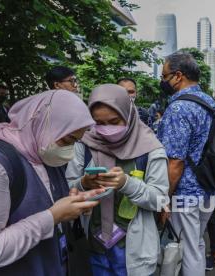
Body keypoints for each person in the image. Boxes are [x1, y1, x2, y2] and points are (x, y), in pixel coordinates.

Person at [0, 90, 104, 275]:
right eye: (67, 139)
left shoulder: (42, 153)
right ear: (43, 122)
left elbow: (37, 199)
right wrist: (52, 217)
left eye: (75, 142)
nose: (69, 150)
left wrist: (75, 198)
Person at [66, 84, 169, 276]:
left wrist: (127, 184)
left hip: (132, 246)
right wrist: (83, 184)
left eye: (114, 121)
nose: (106, 130)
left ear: (128, 115)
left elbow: (160, 199)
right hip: (93, 244)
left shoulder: (150, 149)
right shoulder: (85, 144)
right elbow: (69, 187)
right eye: (99, 123)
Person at [157, 52, 215, 275]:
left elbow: (175, 162)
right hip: (209, 186)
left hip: (186, 192)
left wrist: (164, 198)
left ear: (178, 76)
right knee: (197, 243)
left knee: (187, 248)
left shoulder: (179, 108)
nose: (163, 81)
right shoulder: (209, 101)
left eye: (164, 76)